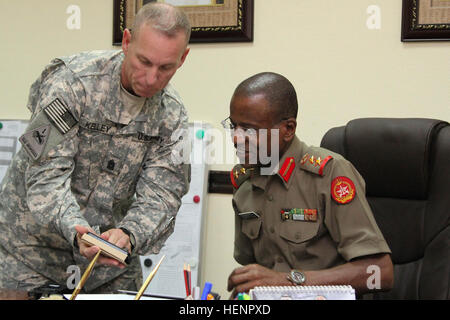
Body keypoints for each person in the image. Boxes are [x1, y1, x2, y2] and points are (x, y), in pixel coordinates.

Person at [0, 3, 191, 294]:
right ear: (127, 42)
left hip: (106, 263)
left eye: (165, 67)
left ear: (183, 59)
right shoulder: (72, 85)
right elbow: (44, 174)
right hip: (29, 250)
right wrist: (78, 231)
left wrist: (129, 234)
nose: (151, 78)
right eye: (143, 61)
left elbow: (163, 195)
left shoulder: (173, 117)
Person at [224, 72, 394, 298]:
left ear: (288, 129)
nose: (236, 138)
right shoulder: (245, 180)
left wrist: (289, 281)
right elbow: (253, 273)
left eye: (249, 129)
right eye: (233, 126)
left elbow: (380, 274)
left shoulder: (330, 174)